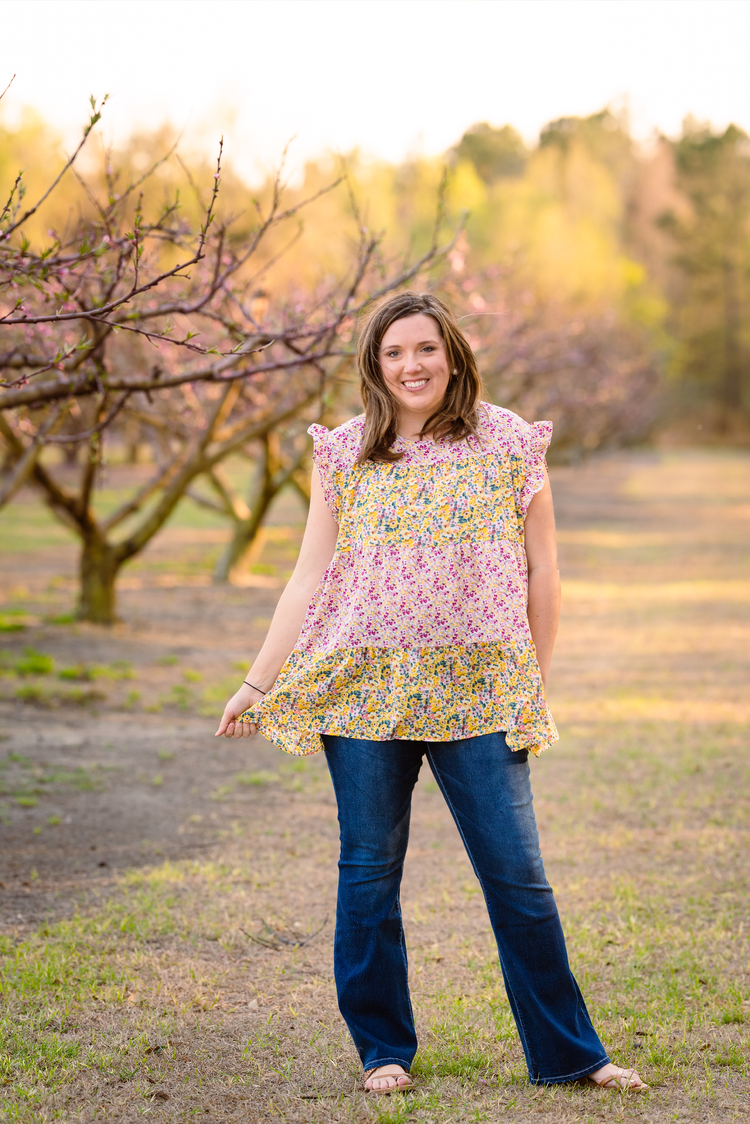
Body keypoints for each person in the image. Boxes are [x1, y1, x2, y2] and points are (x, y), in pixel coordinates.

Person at [216, 291, 647, 1096]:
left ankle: (570, 1054)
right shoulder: (345, 451)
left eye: (424, 349)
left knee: (517, 874)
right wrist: (256, 681)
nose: (410, 366)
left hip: (481, 689)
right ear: (374, 366)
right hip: (363, 690)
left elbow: (543, 568)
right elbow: (310, 574)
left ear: (452, 353)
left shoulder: (508, 440)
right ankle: (383, 1050)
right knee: (369, 869)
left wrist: (534, 680)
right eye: (392, 354)